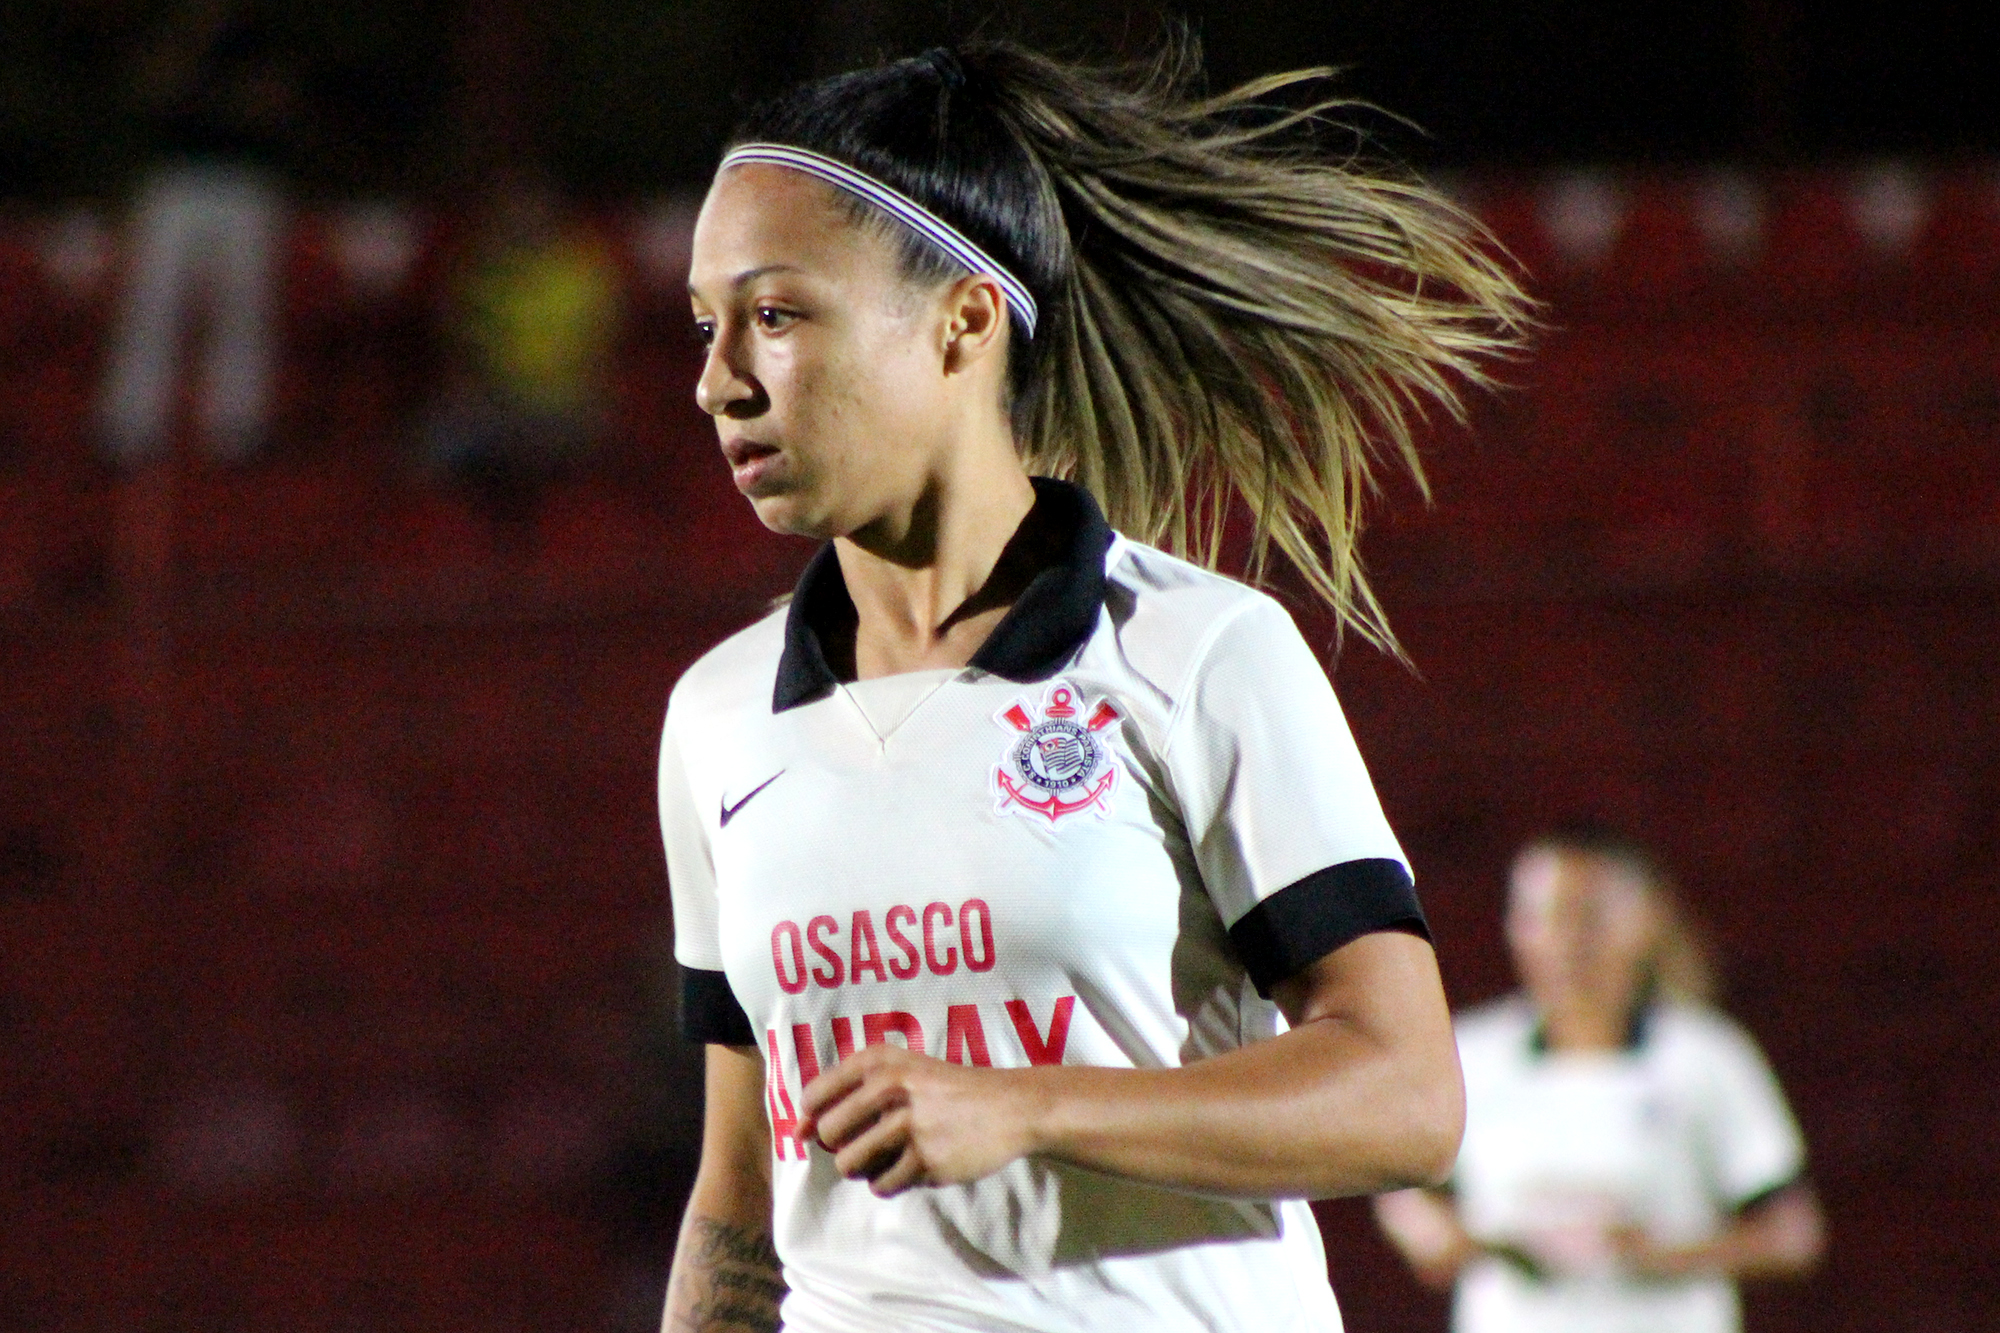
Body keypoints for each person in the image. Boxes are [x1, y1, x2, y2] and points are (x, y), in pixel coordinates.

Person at [658, 40, 1531, 1333]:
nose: (716, 380)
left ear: (963, 322)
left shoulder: (1197, 653)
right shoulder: (717, 717)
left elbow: (1406, 1098)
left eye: (775, 317)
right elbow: (740, 1188)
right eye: (706, 325)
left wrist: (1028, 1105)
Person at [1373, 826, 1825, 1333]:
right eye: (1541, 916)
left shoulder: (1704, 1058)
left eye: (1587, 917)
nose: (1564, 941)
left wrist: (1660, 1256)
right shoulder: (1470, 1056)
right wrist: (1448, 1239)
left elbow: (1791, 1233)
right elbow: (1406, 1192)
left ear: (1645, 921)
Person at [98, 0, 301, 466]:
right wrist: (195, 49)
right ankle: (130, 424)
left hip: (246, 177)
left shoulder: (262, 33)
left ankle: (238, 426)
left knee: (244, 305)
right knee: (152, 301)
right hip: (176, 176)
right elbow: (152, 90)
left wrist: (220, 97)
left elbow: (274, 103)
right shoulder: (175, 26)